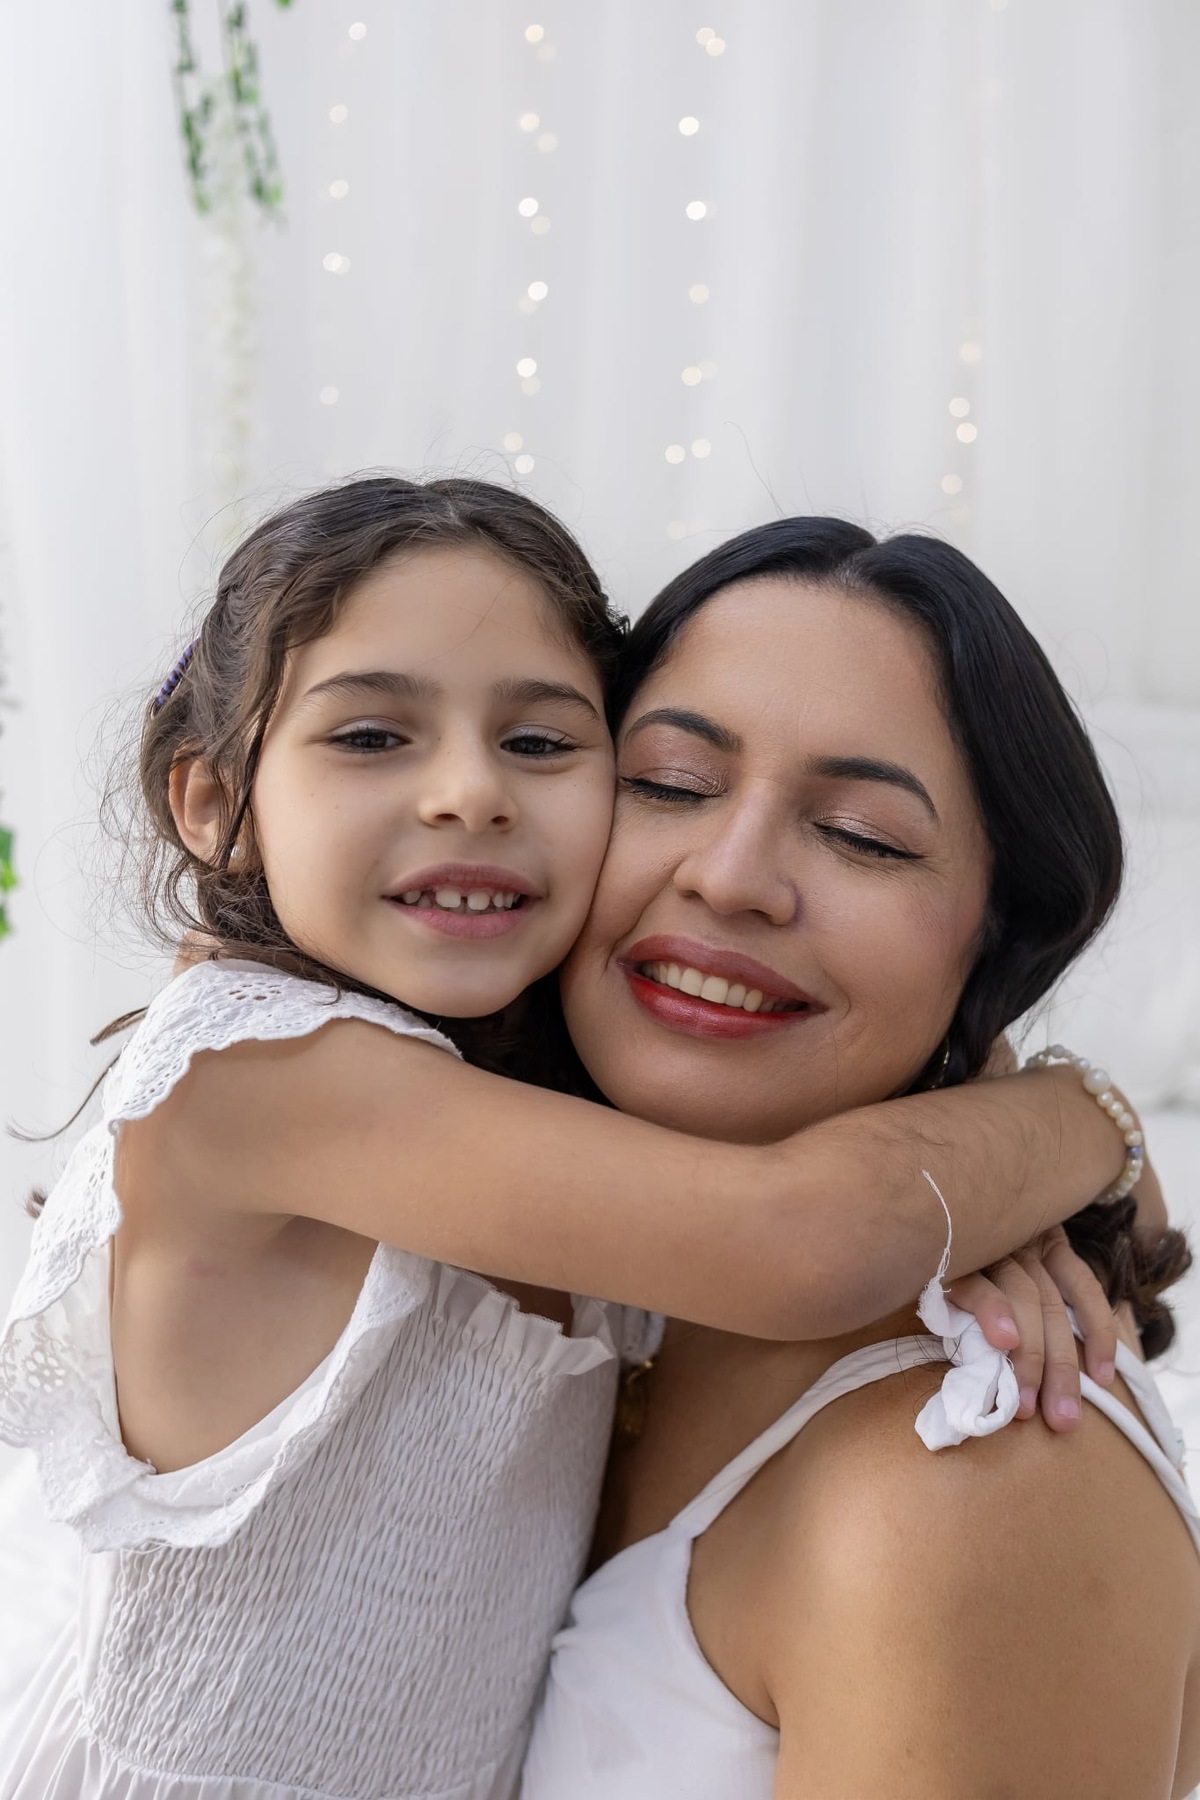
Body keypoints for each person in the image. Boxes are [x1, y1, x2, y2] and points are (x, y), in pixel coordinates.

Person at [0, 479, 1142, 1800]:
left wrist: (999, 1165)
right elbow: (805, 1236)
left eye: (542, 744)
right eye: (370, 735)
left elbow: (857, 1208)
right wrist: (1083, 1123)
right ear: (213, 806)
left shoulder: (536, 1097)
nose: (469, 794)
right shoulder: (255, 1071)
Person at [521, 518, 1198, 1800]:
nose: (732, 879)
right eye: (670, 781)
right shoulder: (553, 1267)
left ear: (995, 945)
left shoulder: (965, 1482)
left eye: (864, 837)